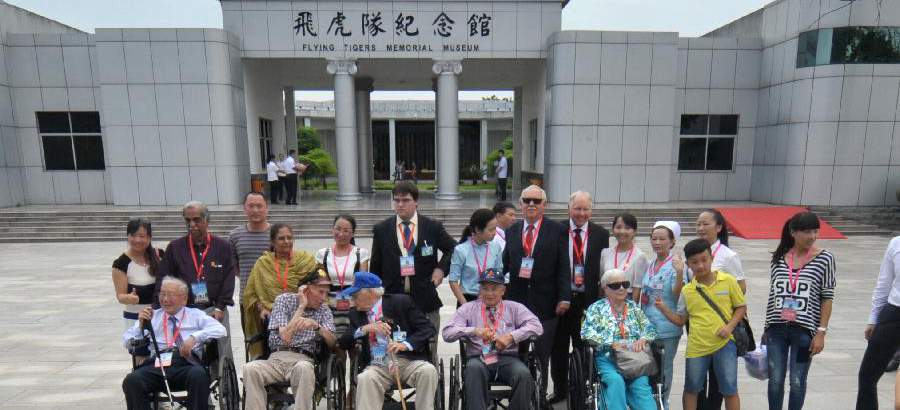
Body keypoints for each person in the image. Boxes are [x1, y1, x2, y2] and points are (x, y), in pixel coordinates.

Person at [654, 238, 746, 410]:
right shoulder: (688, 291)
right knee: (692, 387)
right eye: (695, 262)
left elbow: (741, 307)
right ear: (688, 264)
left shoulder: (728, 281)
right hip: (697, 347)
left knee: (729, 388)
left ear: (712, 258)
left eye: (704, 260)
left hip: (725, 344)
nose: (701, 265)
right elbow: (681, 320)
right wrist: (664, 309)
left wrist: (729, 327)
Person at [369, 181, 456, 361]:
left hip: (425, 299)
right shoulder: (382, 229)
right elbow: (376, 266)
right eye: (397, 200)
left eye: (405, 200)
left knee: (428, 349)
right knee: (392, 350)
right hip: (393, 300)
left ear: (416, 202)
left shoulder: (432, 227)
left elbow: (453, 249)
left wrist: (440, 269)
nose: (400, 204)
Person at [502, 184, 570, 402]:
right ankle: (520, 397)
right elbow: (505, 264)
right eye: (527, 200)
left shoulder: (558, 230)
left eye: (536, 201)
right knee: (517, 354)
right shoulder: (511, 230)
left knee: (541, 355)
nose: (531, 204)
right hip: (516, 302)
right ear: (521, 204)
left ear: (545, 205)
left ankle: (539, 398)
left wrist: (564, 297)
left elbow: (563, 267)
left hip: (547, 303)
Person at [442, 268, 543, 410]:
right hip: (479, 358)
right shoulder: (468, 309)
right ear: (480, 291)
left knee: (523, 374)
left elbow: (537, 326)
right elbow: (447, 333)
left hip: (508, 359)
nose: (489, 293)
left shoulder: (514, 308)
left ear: (503, 291)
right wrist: (474, 331)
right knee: (473, 369)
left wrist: (511, 337)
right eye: (485, 289)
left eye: (494, 289)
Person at [764, 211, 835, 410]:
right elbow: (773, 296)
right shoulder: (779, 258)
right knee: (775, 380)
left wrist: (821, 333)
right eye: (807, 232)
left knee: (797, 380)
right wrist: (766, 328)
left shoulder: (825, 259)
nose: (812, 236)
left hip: (804, 331)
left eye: (815, 231)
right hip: (777, 329)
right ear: (793, 233)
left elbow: (827, 298)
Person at [122, 276, 227, 410]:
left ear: (184, 299)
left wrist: (194, 338)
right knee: (132, 380)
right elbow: (127, 341)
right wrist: (141, 326)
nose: (165, 299)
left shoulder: (195, 315)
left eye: (170, 295)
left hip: (186, 362)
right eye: (162, 294)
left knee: (199, 375)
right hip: (158, 363)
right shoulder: (153, 316)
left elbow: (220, 329)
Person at [338, 272, 439, 410]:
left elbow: (427, 329)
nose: (352, 299)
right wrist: (365, 328)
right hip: (377, 365)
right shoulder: (356, 313)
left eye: (355, 295)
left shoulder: (400, 302)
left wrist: (405, 344)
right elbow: (344, 343)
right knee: (365, 378)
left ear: (370, 293)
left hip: (408, 361)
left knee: (428, 371)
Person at [242, 270, 337, 410]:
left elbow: (333, 342)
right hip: (275, 359)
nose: (324, 298)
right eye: (320, 292)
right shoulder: (284, 300)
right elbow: (286, 337)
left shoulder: (324, 310)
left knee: (304, 368)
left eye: (326, 293)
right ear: (306, 290)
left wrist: (318, 327)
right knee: (250, 368)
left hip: (302, 359)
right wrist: (301, 307)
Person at [548, 190, 610, 404]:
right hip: (561, 299)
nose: (581, 213)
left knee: (585, 347)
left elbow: (603, 269)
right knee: (558, 347)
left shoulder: (601, 234)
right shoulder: (557, 230)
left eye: (585, 209)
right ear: (569, 209)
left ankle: (582, 390)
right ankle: (560, 389)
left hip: (588, 300)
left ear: (591, 211)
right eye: (577, 208)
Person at [157, 201, 237, 356]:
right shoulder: (175, 247)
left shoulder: (222, 246)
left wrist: (221, 306)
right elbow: (163, 279)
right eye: (188, 220)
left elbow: (229, 278)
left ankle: (224, 381)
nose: (192, 224)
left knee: (221, 354)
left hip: (215, 309)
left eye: (196, 219)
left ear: (207, 220)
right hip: (185, 312)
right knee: (189, 353)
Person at [581, 268, 658, 410]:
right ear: (605, 288)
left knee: (641, 384)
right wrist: (610, 343)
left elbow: (650, 328)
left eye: (625, 284)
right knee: (616, 381)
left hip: (633, 358)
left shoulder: (633, 307)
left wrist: (643, 339)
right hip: (608, 357)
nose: (622, 288)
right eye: (615, 285)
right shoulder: (596, 308)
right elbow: (586, 332)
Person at [694, 208, 746, 410]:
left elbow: (741, 288)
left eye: (705, 223)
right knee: (698, 374)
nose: (700, 228)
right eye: (698, 224)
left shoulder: (728, 255)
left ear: (719, 227)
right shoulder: (694, 251)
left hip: (721, 324)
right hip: (698, 323)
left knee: (718, 374)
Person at [242, 223, 318, 359]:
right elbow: (252, 293)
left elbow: (317, 287)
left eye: (289, 238)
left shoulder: (306, 260)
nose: (286, 241)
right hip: (273, 314)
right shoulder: (263, 263)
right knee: (269, 322)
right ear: (272, 241)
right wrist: (262, 308)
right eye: (281, 238)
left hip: (302, 310)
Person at [638, 223, 686, 410]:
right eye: (654, 238)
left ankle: (662, 403)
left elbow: (677, 295)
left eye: (662, 239)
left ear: (672, 241)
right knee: (649, 368)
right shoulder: (651, 264)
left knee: (664, 369)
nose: (657, 242)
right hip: (647, 326)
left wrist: (681, 273)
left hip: (667, 327)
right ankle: (649, 402)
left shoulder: (675, 264)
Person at [857, 235, 900, 410]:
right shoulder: (896, 243)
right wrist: (873, 319)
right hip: (894, 312)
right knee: (867, 374)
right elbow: (884, 282)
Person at [315, 214, 371, 336]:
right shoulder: (322, 254)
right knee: (334, 339)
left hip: (354, 301)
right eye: (338, 229)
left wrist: (358, 304)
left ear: (353, 233)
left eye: (346, 230)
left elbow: (362, 282)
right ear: (332, 229)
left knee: (354, 339)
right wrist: (324, 305)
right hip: (330, 302)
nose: (341, 233)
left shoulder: (361, 253)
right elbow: (322, 281)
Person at [114, 218, 164, 329]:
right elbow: (120, 296)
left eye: (142, 236)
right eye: (133, 235)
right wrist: (129, 298)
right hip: (135, 318)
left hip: (160, 315)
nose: (137, 240)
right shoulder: (121, 263)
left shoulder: (159, 255)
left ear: (149, 237)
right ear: (128, 236)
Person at [449, 208, 503, 306]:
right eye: (490, 229)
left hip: (490, 298)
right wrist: (464, 304)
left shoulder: (495, 247)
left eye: (495, 228)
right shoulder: (461, 250)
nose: (494, 232)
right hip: (468, 298)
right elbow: (453, 280)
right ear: (478, 230)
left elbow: (498, 274)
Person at [229, 192, 272, 307]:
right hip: (247, 298)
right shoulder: (235, 235)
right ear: (244, 209)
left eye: (259, 206)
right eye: (251, 206)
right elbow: (234, 266)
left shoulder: (276, 234)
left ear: (266, 208)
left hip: (272, 298)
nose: (255, 210)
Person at [601, 213, 650, 301]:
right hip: (606, 301)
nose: (622, 231)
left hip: (626, 301)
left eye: (627, 228)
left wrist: (632, 310)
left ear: (634, 231)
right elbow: (601, 281)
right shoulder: (605, 253)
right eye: (618, 227)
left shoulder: (640, 256)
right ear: (613, 229)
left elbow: (637, 288)